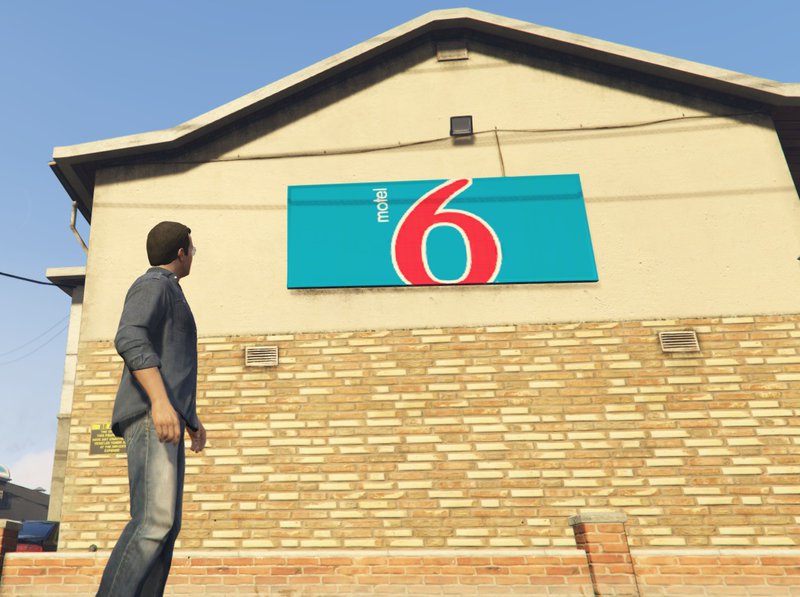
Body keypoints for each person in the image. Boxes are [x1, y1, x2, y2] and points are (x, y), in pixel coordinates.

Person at [97, 221, 206, 597]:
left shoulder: (169, 289)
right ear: (181, 252)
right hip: (150, 415)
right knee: (153, 522)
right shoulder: (154, 285)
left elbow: (173, 361)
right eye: (192, 249)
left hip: (167, 417)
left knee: (166, 527)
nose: (193, 255)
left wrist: (191, 418)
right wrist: (159, 401)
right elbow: (129, 336)